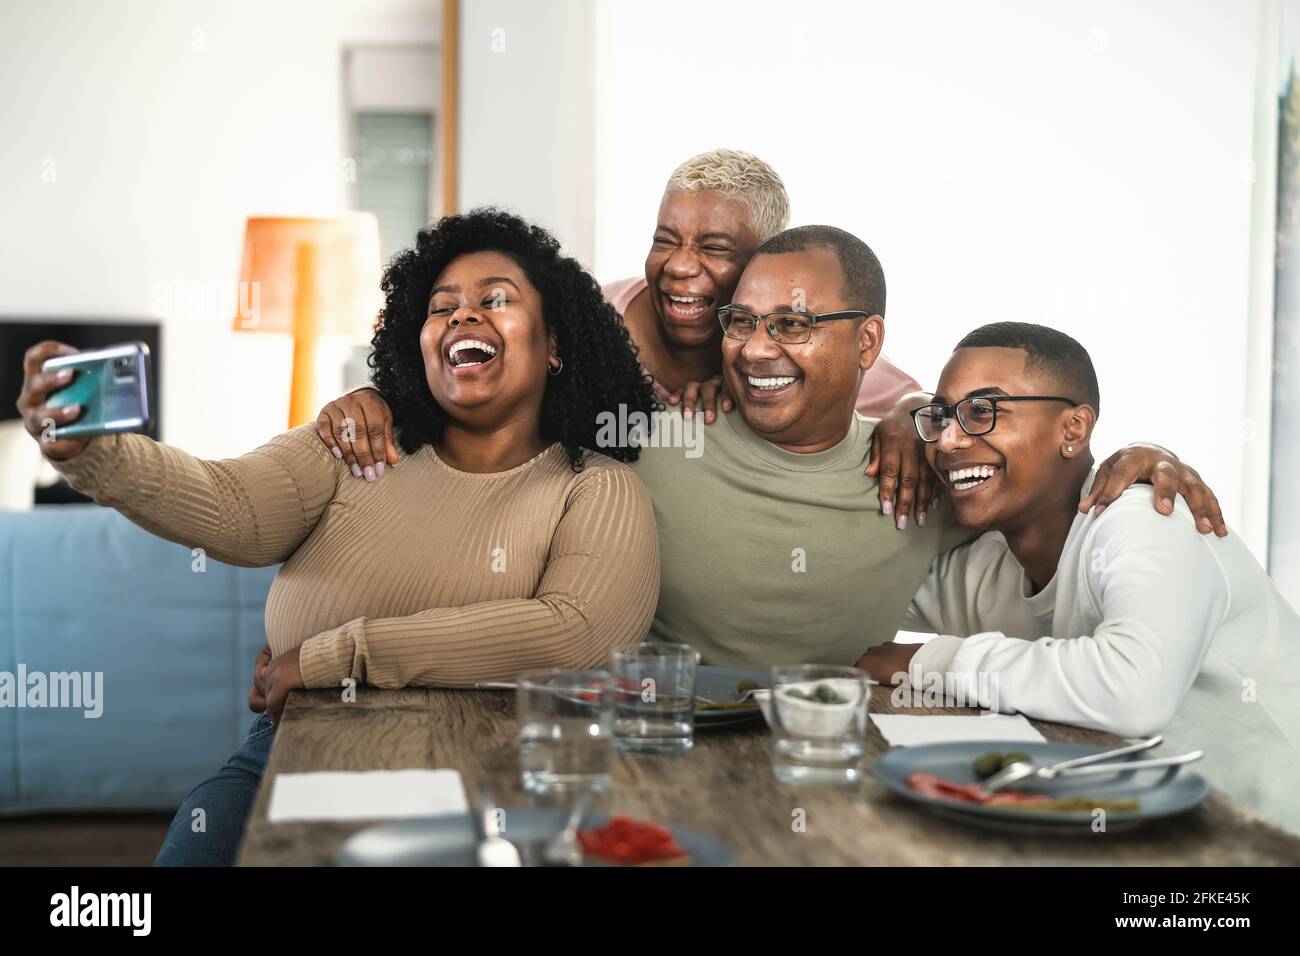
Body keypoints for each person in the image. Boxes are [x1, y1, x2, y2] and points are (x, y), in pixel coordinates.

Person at [15, 209, 660, 865]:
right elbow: (230, 507)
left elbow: (574, 634)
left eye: (495, 299)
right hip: (290, 756)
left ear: (554, 343)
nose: (463, 317)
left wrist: (334, 656)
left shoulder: (594, 488)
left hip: (494, 775)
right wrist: (93, 451)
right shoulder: (355, 445)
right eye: (442, 308)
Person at [316, 225, 1222, 667]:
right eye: (742, 322)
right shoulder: (651, 439)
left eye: (792, 324)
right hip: (641, 742)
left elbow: (1031, 460)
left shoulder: (922, 468)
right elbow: (492, 410)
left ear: (865, 345)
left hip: (824, 765)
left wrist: (1135, 455)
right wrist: (384, 396)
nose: (754, 348)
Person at [858, 322, 1300, 833]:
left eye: (983, 411)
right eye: (942, 417)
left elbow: (1132, 689)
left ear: (1073, 429)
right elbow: (852, 591)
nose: (951, 440)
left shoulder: (1145, 518)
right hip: (1154, 832)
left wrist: (929, 660)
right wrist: (901, 410)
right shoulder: (991, 565)